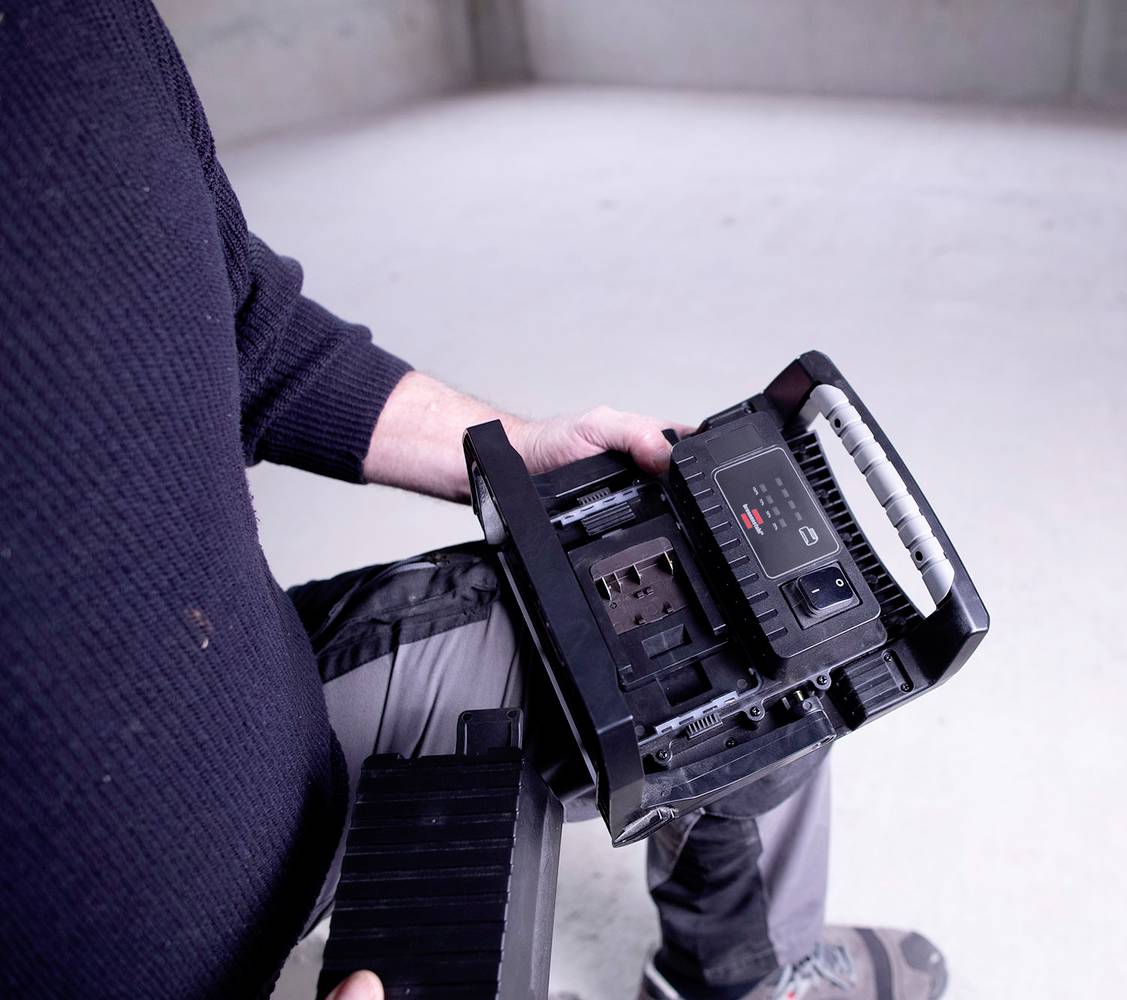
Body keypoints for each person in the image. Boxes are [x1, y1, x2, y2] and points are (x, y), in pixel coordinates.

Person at [0, 4, 948, 998]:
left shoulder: (74, 25)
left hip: (290, 717)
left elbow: (241, 322)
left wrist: (507, 457)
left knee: (768, 656)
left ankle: (740, 972)